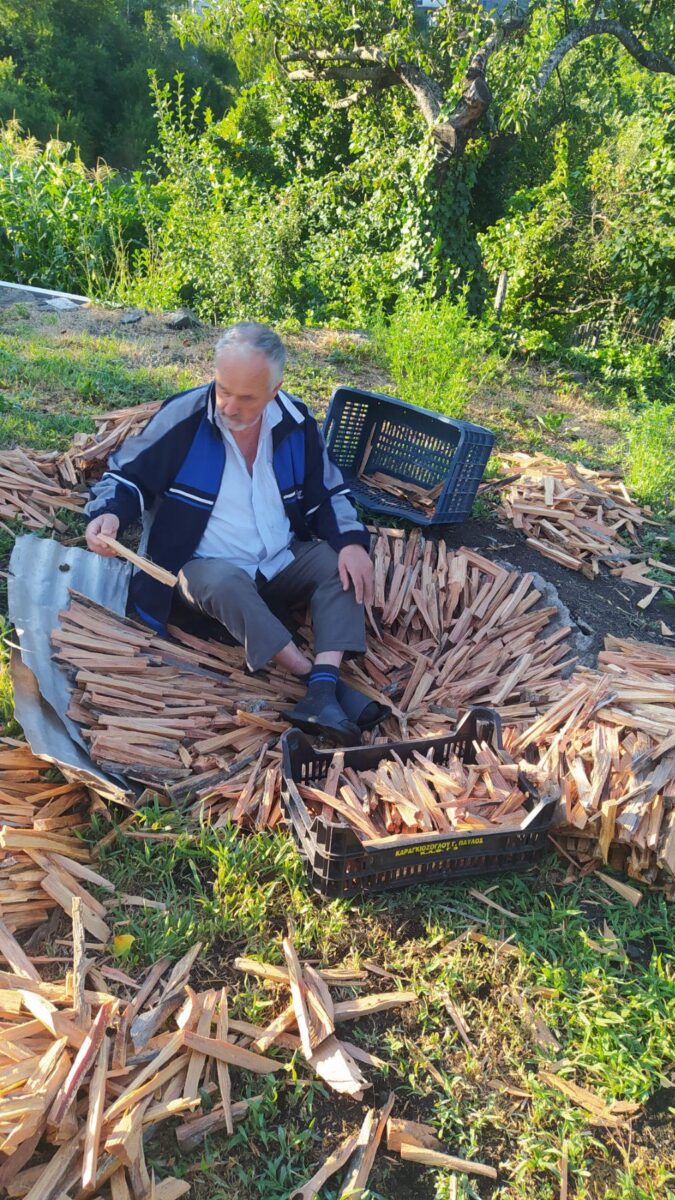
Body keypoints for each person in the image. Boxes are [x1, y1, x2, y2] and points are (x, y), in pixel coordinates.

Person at [84, 321, 388, 744]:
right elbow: (126, 476)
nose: (229, 406)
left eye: (247, 398)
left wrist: (351, 543)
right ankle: (316, 683)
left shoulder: (295, 423)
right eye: (224, 389)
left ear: (274, 390)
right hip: (200, 570)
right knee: (223, 582)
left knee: (343, 565)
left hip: (278, 562)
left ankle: (323, 685)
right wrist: (110, 514)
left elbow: (328, 492)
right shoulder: (185, 418)